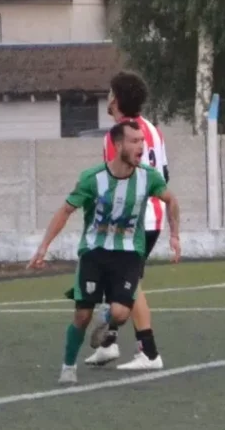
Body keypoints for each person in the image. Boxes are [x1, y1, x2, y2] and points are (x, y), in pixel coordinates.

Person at [28, 120, 181, 385]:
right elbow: (65, 210)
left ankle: (106, 319)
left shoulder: (149, 177)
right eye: (134, 141)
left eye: (142, 141)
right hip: (95, 252)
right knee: (81, 315)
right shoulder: (93, 178)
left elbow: (171, 200)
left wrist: (175, 235)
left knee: (121, 313)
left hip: (129, 253)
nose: (141, 147)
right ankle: (68, 366)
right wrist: (43, 247)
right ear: (118, 145)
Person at [79, 71, 180, 370]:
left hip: (132, 221)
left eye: (110, 92)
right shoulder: (152, 129)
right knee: (124, 283)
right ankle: (109, 343)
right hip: (153, 217)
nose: (107, 97)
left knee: (128, 285)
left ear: (118, 99)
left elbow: (116, 182)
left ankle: (149, 352)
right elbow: (164, 176)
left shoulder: (119, 135)